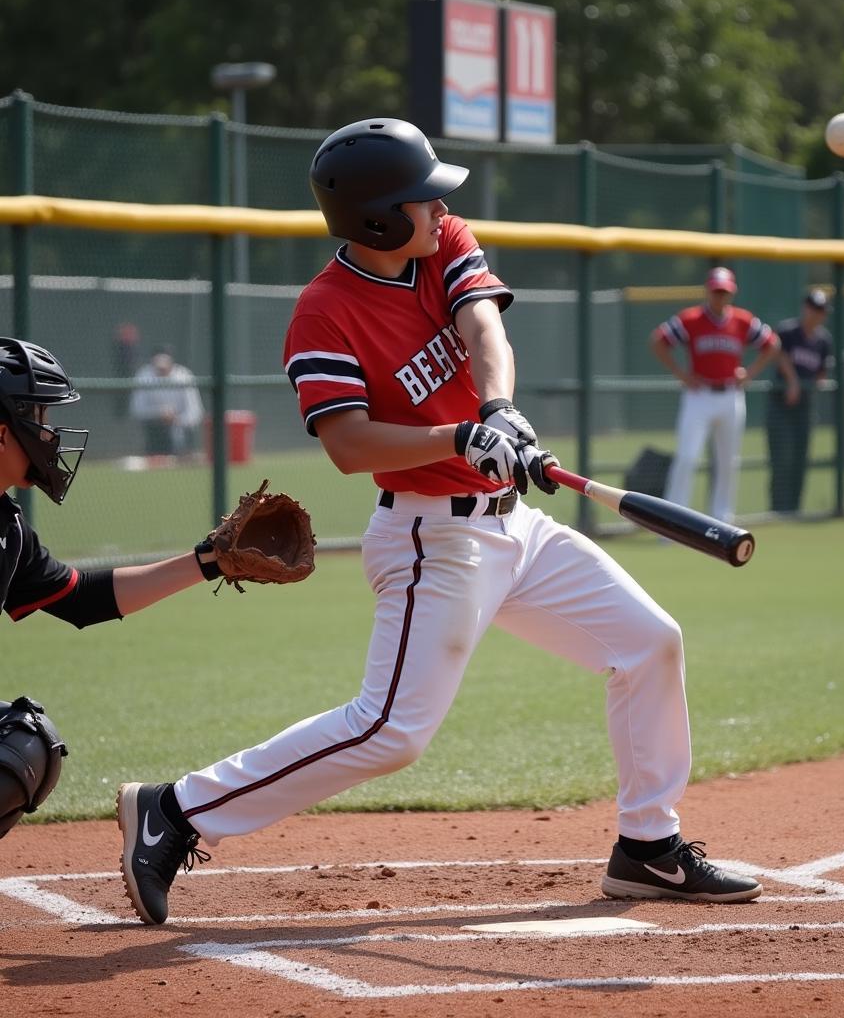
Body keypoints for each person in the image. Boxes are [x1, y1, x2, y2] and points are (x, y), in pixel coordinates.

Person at [116, 117, 762, 926]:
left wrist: (498, 410)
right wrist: (459, 437)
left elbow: (482, 323)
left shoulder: (444, 240)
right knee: (390, 730)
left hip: (514, 527)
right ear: (378, 218)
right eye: (419, 197)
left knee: (649, 641)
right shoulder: (323, 314)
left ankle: (647, 847)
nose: (438, 205)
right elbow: (349, 444)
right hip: (434, 541)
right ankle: (173, 812)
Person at [0, 337, 238, 837]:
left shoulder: (8, 528)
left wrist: (209, 563)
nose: (49, 435)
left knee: (23, 746)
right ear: (3, 433)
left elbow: (82, 598)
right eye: (39, 419)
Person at [650, 266, 781, 522]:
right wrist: (681, 373)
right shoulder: (691, 319)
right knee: (687, 458)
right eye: (716, 291)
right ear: (708, 291)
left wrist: (751, 372)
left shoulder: (742, 320)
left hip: (730, 395)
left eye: (724, 292)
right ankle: (674, 521)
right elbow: (658, 340)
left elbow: (772, 343)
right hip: (699, 395)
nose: (720, 297)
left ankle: (722, 519)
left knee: (728, 461)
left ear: (731, 293)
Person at [766, 289, 834, 514]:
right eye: (814, 309)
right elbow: (779, 354)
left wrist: (815, 384)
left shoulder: (823, 340)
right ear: (805, 308)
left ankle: (794, 509)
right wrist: (793, 381)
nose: (817, 314)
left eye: (821, 311)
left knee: (800, 459)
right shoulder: (788, 331)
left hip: (805, 407)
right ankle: (778, 509)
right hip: (780, 405)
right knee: (781, 459)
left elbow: (822, 373)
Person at [129, 345, 204, 458]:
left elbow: (195, 412)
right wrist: (159, 413)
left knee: (179, 438)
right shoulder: (144, 375)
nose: (162, 370)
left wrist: (177, 420)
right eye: (158, 366)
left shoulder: (184, 376)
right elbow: (137, 409)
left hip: (182, 427)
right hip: (156, 428)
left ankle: (184, 456)